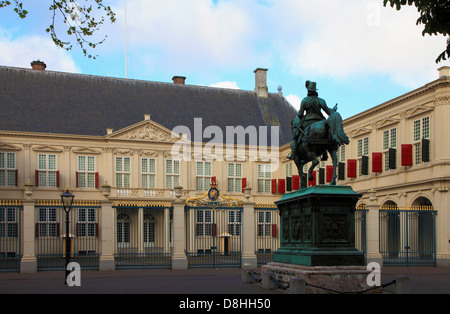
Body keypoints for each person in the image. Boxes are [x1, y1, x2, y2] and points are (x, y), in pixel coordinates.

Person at [287, 81, 333, 160]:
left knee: (295, 136)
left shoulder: (305, 101)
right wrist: (333, 110)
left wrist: (300, 114)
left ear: (308, 91)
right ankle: (325, 154)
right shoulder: (321, 101)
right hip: (320, 120)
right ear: (315, 91)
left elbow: (300, 114)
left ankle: (293, 153)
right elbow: (329, 112)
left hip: (308, 121)